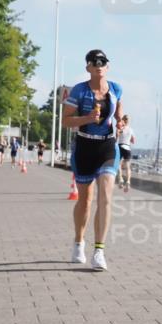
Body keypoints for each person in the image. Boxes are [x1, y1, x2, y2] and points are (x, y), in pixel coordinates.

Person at [63, 49, 123, 271]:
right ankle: (79, 242)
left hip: (107, 146)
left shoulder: (115, 89)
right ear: (88, 67)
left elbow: (119, 114)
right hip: (84, 146)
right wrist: (88, 118)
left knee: (106, 195)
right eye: (94, 62)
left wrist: (122, 122)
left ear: (108, 66)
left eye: (103, 61)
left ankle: (99, 251)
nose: (99, 64)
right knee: (85, 200)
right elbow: (66, 121)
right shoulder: (79, 91)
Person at [115, 115, 136, 192]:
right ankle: (128, 181)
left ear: (123, 120)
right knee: (127, 167)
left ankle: (120, 179)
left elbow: (117, 137)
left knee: (118, 165)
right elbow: (133, 141)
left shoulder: (120, 128)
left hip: (120, 147)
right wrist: (128, 138)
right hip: (127, 148)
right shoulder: (131, 130)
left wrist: (118, 136)